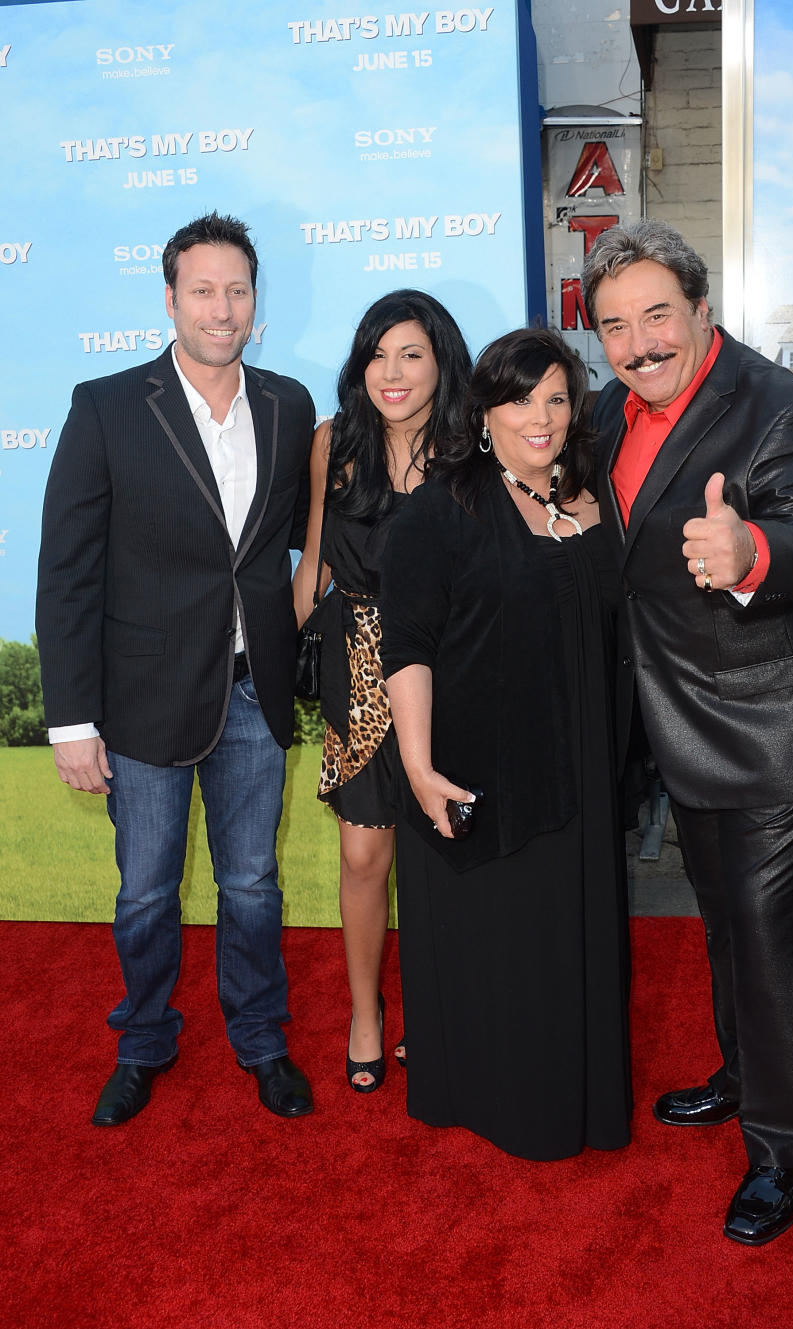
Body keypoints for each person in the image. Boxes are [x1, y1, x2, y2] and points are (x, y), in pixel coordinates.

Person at [582, 220, 793, 1243]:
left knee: (768, 940)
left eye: (657, 316)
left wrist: (749, 545)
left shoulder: (783, 408)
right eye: (616, 327)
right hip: (677, 717)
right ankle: (743, 1070)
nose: (640, 344)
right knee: (726, 923)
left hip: (776, 719)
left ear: (702, 309)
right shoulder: (601, 416)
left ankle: (781, 1149)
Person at [36, 212, 316, 1125]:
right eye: (203, 290)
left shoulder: (289, 404)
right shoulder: (108, 405)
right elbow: (68, 570)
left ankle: (262, 1040)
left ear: (254, 300)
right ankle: (145, 1040)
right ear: (170, 299)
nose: (222, 308)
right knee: (147, 890)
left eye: (237, 289)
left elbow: (286, 554)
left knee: (253, 885)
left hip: (250, 692)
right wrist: (73, 719)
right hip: (142, 699)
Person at [378, 327, 633, 1161]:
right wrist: (418, 769)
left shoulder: (594, 498)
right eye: (522, 398)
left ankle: (580, 1098)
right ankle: (503, 1104)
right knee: (503, 945)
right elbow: (407, 644)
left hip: (582, 764)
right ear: (484, 411)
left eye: (558, 398)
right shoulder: (438, 509)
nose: (542, 416)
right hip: (483, 765)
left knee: (571, 941)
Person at [292, 290, 471, 1093]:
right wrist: (284, 654)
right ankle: (366, 1013)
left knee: (443, 856)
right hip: (357, 666)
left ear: (441, 361)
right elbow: (315, 564)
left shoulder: (472, 445)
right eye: (377, 354)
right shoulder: (337, 441)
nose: (391, 372)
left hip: (448, 667)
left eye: (410, 354)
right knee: (365, 854)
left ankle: (438, 1012)